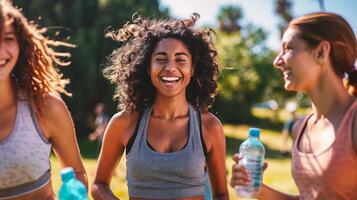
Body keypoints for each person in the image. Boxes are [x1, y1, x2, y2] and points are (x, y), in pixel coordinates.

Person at [91, 13, 228, 199]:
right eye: (161, 59)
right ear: (148, 68)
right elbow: (99, 185)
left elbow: (221, 194)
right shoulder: (125, 123)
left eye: (180, 59)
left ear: (192, 68)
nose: (170, 67)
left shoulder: (210, 127)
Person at [231, 12, 357, 199]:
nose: (277, 61)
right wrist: (258, 189)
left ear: (321, 52)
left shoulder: (353, 122)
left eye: (288, 49)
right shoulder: (300, 128)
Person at [0, 1, 87, 199]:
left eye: (8, 38)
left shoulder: (46, 107)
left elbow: (77, 173)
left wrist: (74, 194)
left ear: (21, 43)